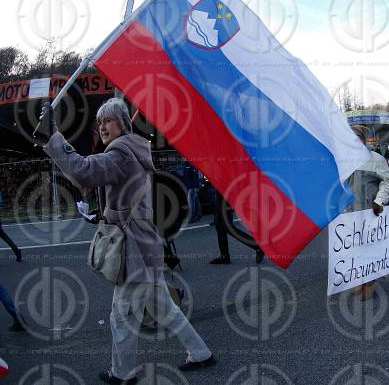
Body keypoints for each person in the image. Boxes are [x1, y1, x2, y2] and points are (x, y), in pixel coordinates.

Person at [37, 98, 214, 384]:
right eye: (100, 122)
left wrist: (54, 136)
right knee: (164, 308)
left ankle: (122, 374)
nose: (103, 126)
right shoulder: (133, 149)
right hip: (145, 245)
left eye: (108, 120)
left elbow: (83, 170)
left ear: (123, 122)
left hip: (134, 250)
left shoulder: (121, 153)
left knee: (121, 315)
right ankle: (201, 353)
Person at [346, 126, 389, 300]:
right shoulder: (343, 160)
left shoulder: (376, 159)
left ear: (363, 141)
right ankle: (359, 278)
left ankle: (371, 281)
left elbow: (388, 182)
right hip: (348, 214)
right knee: (353, 248)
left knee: (370, 248)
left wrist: (379, 201)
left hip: (369, 212)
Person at [209, 190, 264, 264]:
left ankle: (257, 246)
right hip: (219, 194)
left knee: (228, 228)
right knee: (219, 227)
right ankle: (224, 256)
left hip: (225, 195)